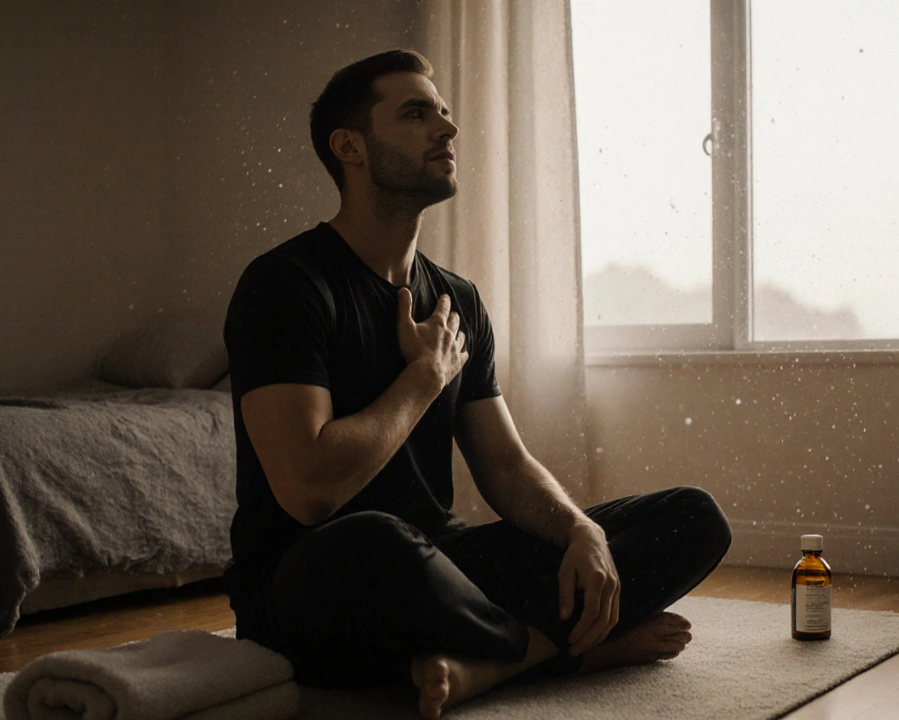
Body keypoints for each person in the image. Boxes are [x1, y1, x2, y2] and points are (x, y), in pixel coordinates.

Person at [222, 48, 732, 719]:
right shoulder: (286, 285)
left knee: (692, 517)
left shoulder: (456, 298)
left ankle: (497, 660)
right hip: (316, 586)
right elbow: (310, 490)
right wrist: (424, 376)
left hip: (443, 563)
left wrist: (583, 534)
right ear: (349, 146)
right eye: (415, 114)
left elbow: (507, 465)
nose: (447, 129)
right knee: (371, 539)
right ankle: (567, 648)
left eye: (445, 113)